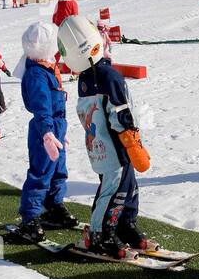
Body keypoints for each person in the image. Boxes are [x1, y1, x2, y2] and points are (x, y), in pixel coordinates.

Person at [59, 14, 154, 257]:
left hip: (101, 144)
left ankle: (125, 224)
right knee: (114, 189)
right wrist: (131, 141)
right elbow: (119, 111)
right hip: (115, 145)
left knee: (128, 186)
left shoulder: (85, 79)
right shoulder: (108, 76)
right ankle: (99, 233)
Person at [12, 22, 76, 241]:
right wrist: (48, 133)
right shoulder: (37, 74)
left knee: (59, 171)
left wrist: (61, 131)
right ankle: (30, 218)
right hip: (44, 131)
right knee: (40, 173)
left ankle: (54, 205)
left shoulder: (48, 67)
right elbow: (42, 107)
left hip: (56, 128)